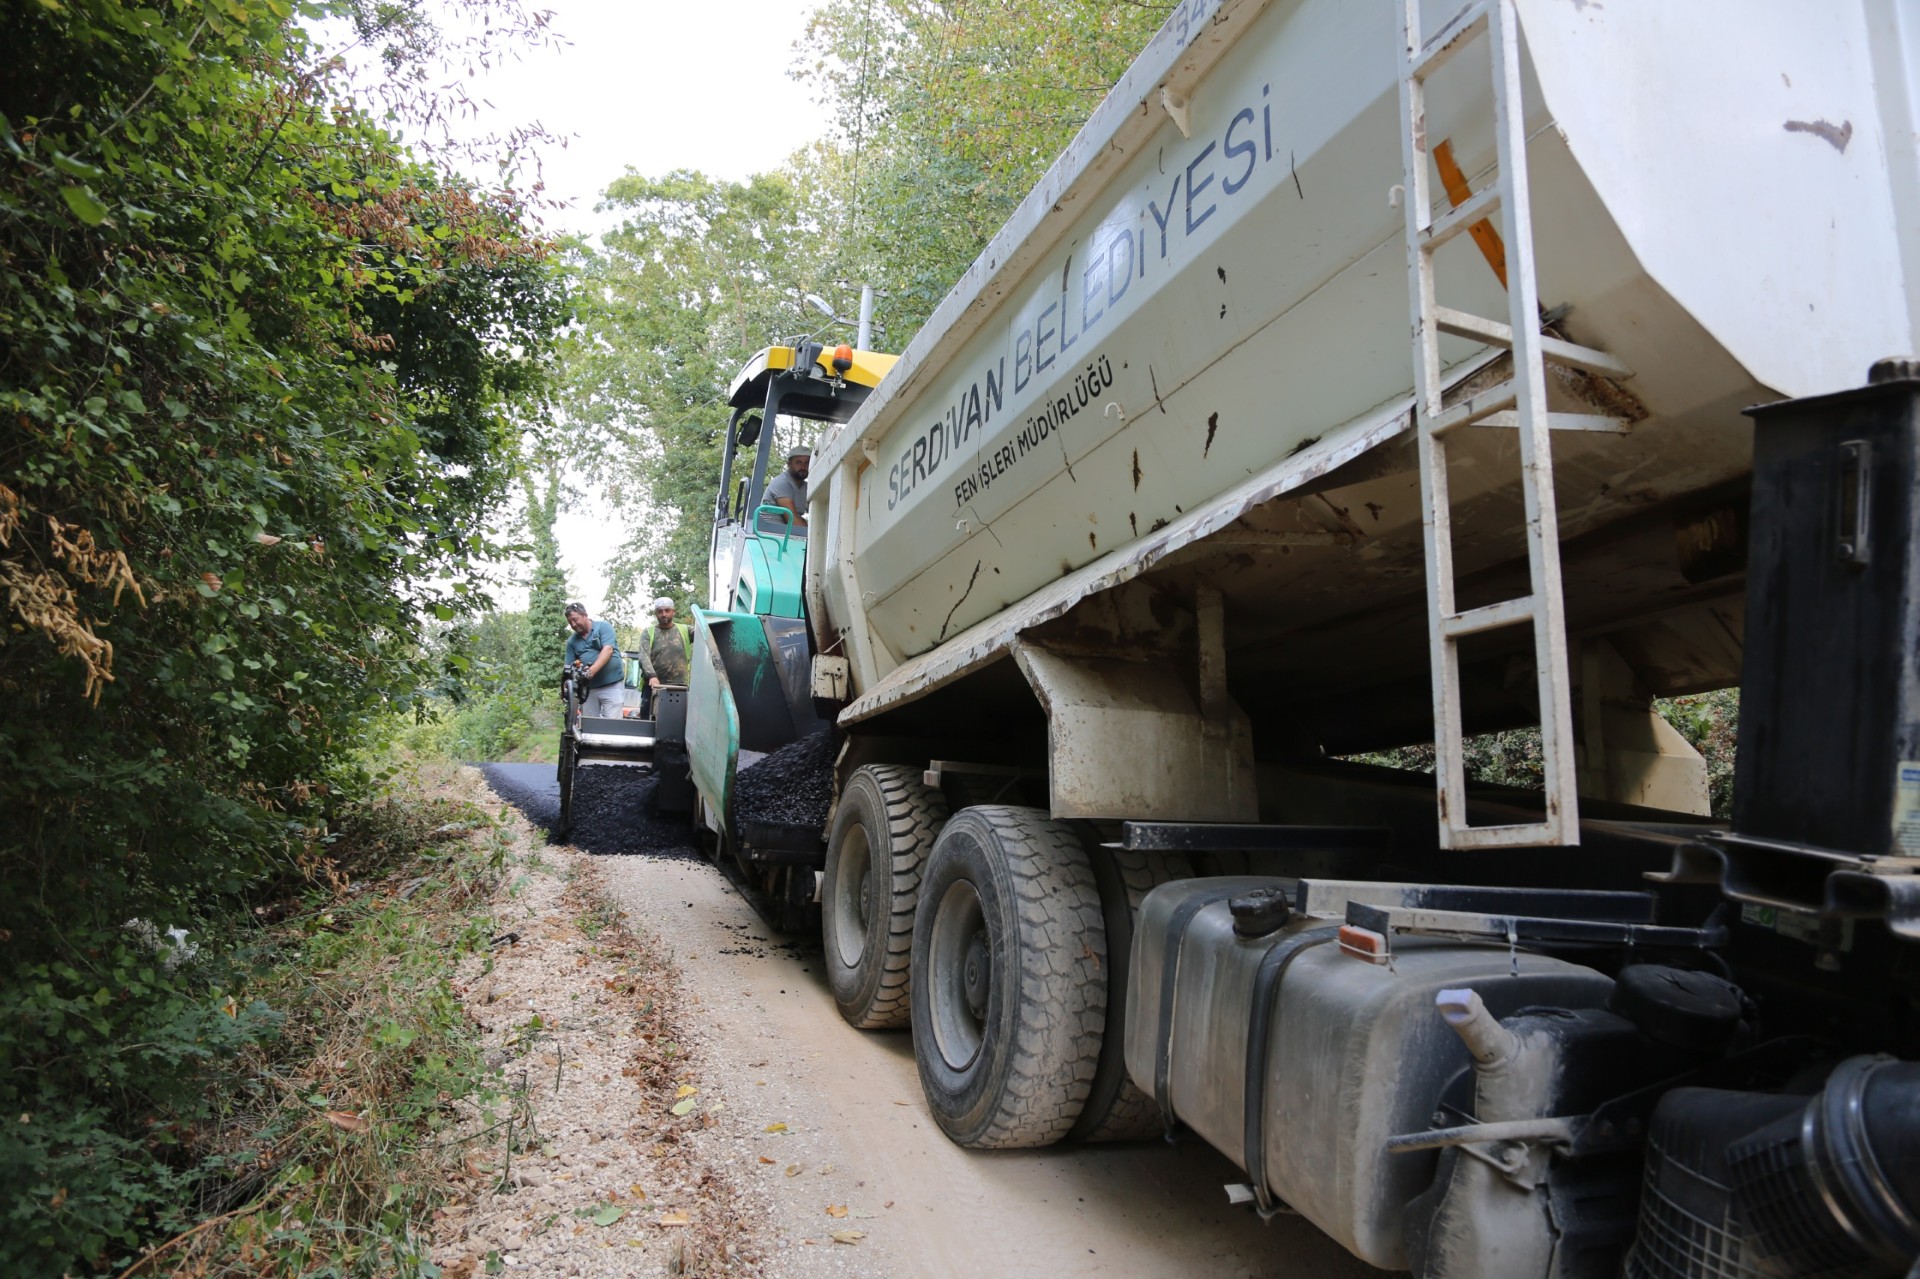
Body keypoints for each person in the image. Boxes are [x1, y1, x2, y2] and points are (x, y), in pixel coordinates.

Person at [562, 602, 625, 719]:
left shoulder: (603, 627)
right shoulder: (572, 642)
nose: (573, 624)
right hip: (588, 690)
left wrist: (591, 672)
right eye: (570, 622)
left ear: (585, 615)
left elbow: (608, 649)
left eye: (575, 620)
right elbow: (568, 668)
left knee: (614, 725)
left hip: (612, 685)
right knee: (589, 725)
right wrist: (566, 690)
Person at [640, 597, 694, 691]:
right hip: (653, 685)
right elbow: (643, 657)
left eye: (667, 610)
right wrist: (652, 676)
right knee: (650, 705)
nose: (664, 614)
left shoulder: (685, 630)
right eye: (660, 611)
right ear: (656, 613)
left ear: (673, 612)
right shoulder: (648, 633)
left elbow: (704, 633)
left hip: (680, 685)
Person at [764, 445, 810, 528]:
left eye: (807, 463)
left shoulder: (806, 487)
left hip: (786, 534)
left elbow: (819, 511)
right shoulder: (782, 483)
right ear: (789, 464)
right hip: (771, 533)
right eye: (798, 462)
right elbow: (793, 521)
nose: (803, 467)